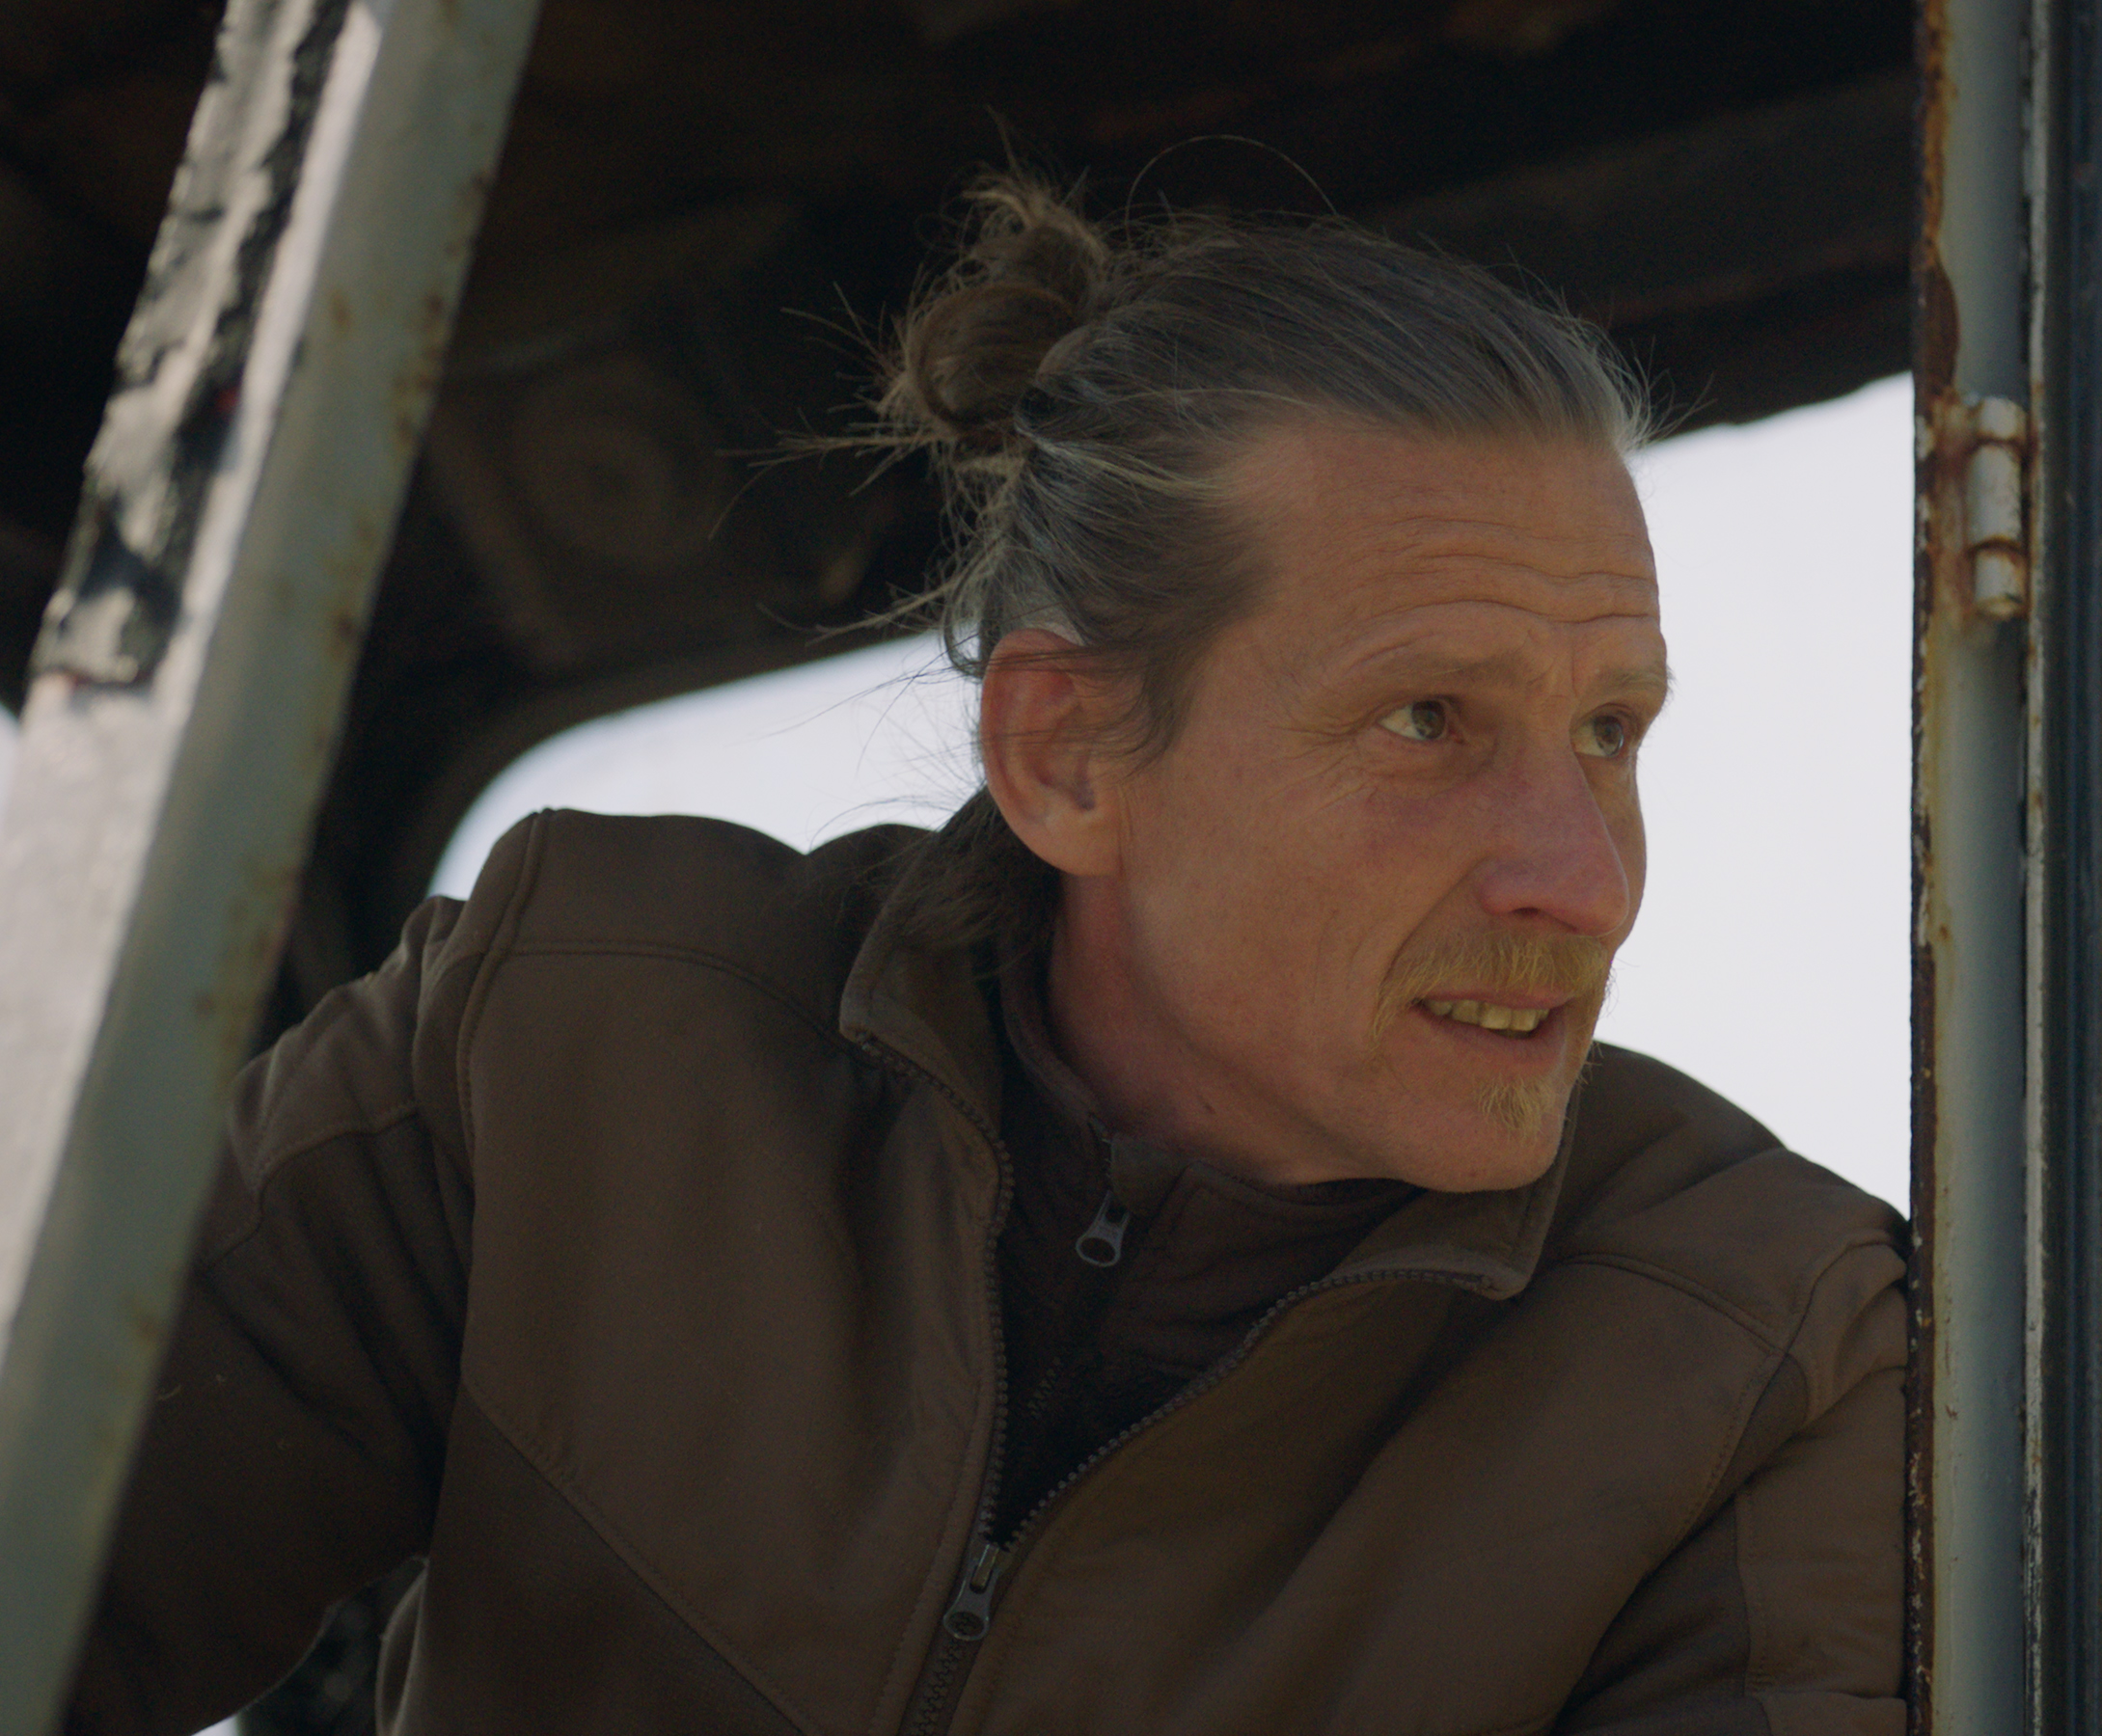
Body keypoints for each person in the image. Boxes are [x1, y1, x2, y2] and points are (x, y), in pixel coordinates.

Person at [65, 176, 1908, 1734]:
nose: (1584, 879)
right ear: (1067, 753)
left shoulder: (1763, 1345)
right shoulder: (572, 1032)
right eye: (1428, 721)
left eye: (1609, 732)